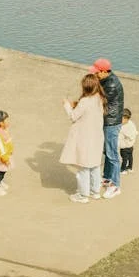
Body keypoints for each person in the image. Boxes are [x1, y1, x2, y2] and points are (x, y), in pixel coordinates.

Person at [59, 74, 107, 204]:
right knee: (95, 166)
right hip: (97, 137)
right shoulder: (99, 98)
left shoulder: (85, 101)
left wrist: (67, 105)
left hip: (85, 138)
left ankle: (83, 195)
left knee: (83, 168)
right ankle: (95, 191)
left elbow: (73, 116)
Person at [89, 58, 124, 199]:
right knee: (107, 152)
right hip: (108, 121)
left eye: (97, 72)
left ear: (104, 71)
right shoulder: (105, 79)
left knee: (112, 154)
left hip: (111, 122)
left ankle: (115, 185)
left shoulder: (111, 85)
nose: (95, 75)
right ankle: (107, 178)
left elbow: (98, 101)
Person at [119, 108, 138, 175]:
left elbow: (126, 134)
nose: (122, 121)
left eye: (122, 119)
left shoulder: (124, 127)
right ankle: (130, 168)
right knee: (130, 157)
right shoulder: (131, 124)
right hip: (131, 146)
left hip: (125, 147)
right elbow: (135, 132)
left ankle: (123, 169)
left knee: (124, 159)